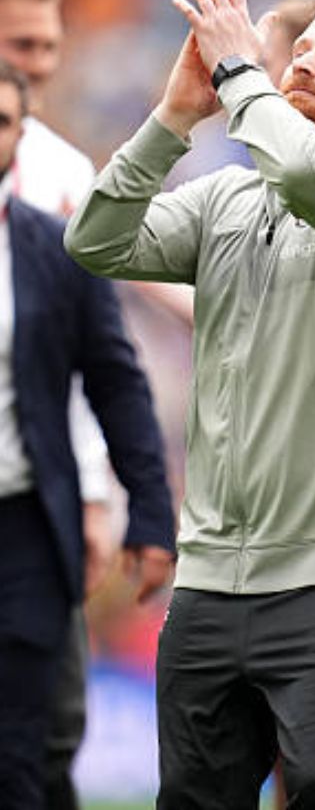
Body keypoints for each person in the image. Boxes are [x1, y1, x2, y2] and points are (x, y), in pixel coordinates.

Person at [64, 0, 315, 806]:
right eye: (299, 51)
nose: (304, 63)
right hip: (214, 574)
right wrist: (172, 119)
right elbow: (96, 238)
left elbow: (314, 180)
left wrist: (239, 72)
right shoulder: (230, 197)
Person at [0, 59, 175, 805]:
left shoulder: (55, 248)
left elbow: (115, 380)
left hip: (23, 524)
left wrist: (148, 511)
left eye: (4, 122)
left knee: (20, 750)